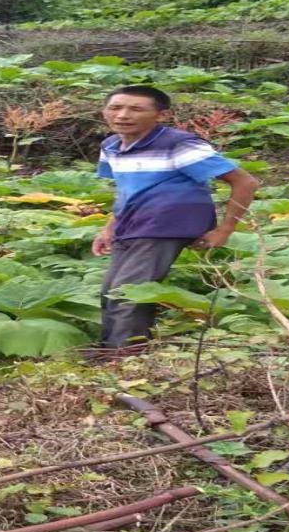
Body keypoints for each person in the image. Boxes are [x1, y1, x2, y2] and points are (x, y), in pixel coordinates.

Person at [91, 85, 260, 349]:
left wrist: (225, 230)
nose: (123, 115)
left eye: (136, 109)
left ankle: (123, 357)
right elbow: (126, 190)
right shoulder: (111, 145)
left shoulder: (179, 144)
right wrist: (108, 228)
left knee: (128, 293)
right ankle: (113, 350)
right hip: (131, 225)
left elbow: (245, 182)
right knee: (113, 292)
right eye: (115, 108)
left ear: (161, 115)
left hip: (165, 226)